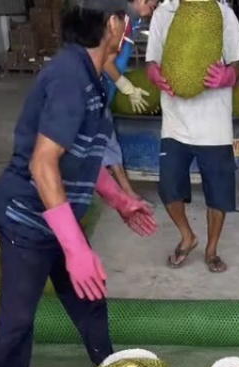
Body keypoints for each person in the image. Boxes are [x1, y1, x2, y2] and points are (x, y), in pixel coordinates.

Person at [0, 0, 146, 367]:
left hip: (59, 217)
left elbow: (82, 158)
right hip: (26, 217)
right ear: (112, 25)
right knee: (18, 320)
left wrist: (121, 201)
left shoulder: (90, 76)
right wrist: (74, 247)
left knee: (90, 299)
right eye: (126, 19)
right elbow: (44, 165)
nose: (130, 26)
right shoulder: (69, 78)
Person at [145, 0, 239, 273]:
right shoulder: (163, 13)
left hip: (214, 122)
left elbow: (237, 62)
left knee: (218, 194)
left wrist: (229, 76)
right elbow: (151, 60)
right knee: (168, 187)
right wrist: (153, 72)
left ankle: (212, 250)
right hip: (175, 121)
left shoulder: (223, 14)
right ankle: (187, 235)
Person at [100, 0, 159, 236]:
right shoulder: (119, 20)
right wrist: (126, 86)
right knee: (100, 143)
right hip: (98, 86)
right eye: (152, 4)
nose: (153, 8)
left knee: (109, 141)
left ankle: (125, 191)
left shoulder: (131, 21)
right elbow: (104, 60)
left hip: (106, 89)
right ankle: (122, 192)